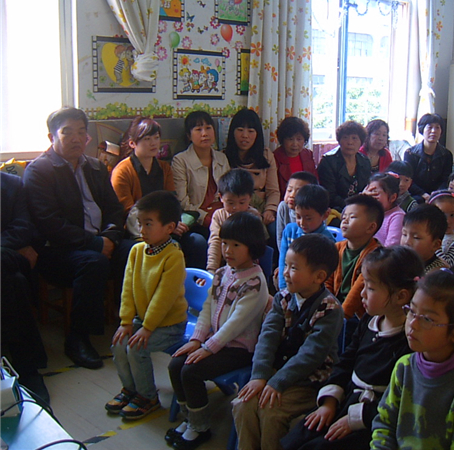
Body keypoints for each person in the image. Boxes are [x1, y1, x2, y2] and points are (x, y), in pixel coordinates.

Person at [282, 246, 424, 450]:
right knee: (297, 438)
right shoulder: (368, 320)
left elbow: (400, 402)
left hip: (372, 418)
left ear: (401, 296)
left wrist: (354, 420)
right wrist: (329, 402)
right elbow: (346, 362)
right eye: (363, 285)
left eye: (371, 288)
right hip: (346, 401)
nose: (362, 294)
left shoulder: (410, 342)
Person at [23, 107, 134, 369]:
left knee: (137, 250)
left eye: (81, 132)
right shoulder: (39, 171)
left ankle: (131, 322)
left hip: (100, 241)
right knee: (93, 263)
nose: (76, 139)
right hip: (57, 251)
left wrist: (110, 237)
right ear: (52, 137)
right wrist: (96, 244)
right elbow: (50, 224)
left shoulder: (95, 167)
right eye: (67, 132)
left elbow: (114, 209)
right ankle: (77, 339)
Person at [167, 212, 270, 449]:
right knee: (175, 365)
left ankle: (200, 428)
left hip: (239, 349)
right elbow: (207, 308)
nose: (228, 250)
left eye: (236, 245)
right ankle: (191, 418)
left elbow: (235, 325)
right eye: (224, 243)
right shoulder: (223, 273)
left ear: (253, 247)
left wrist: (207, 348)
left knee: (190, 371)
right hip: (215, 341)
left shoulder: (255, 282)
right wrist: (196, 340)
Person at [232, 234, 343, 450]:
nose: (285, 272)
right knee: (243, 404)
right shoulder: (283, 297)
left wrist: (277, 382)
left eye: (293, 268)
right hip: (279, 371)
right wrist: (260, 375)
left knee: (271, 412)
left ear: (319, 276)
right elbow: (267, 336)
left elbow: (311, 355)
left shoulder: (330, 309)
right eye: (285, 265)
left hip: (310, 380)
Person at [370, 268, 454, 449]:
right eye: (411, 311)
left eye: (427, 319)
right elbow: (384, 424)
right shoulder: (404, 367)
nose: (413, 324)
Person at [106, 191, 187, 419]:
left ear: (169, 228)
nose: (142, 229)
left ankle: (147, 397)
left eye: (148, 224)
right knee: (119, 343)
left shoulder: (173, 256)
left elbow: (164, 297)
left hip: (170, 325)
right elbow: (128, 288)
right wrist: (125, 322)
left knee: (136, 348)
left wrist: (147, 327)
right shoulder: (136, 250)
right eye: (140, 223)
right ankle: (130, 389)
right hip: (143, 321)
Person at [111, 117, 206, 269]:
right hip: (137, 231)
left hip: (166, 227)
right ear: (132, 143)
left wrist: (172, 224)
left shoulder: (164, 168)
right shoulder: (122, 171)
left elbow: (171, 201)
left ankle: (194, 283)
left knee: (197, 242)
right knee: (167, 247)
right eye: (147, 139)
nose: (153, 143)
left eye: (156, 138)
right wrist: (161, 228)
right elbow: (128, 212)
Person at [1, 172, 49, 402]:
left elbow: (22, 228)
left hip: (7, 257)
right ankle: (27, 367)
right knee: (16, 281)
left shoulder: (11, 184)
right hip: (9, 262)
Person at [171, 110, 231, 265]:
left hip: (222, 215)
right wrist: (205, 218)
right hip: (197, 218)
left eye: (208, 128)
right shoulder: (180, 161)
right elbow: (182, 202)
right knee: (198, 242)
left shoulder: (222, 158)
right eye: (198, 129)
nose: (205, 133)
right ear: (189, 136)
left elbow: (229, 192)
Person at [326, 194, 384, 321]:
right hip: (334, 307)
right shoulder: (337, 248)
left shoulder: (375, 256)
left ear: (371, 227)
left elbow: (356, 294)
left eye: (352, 217)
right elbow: (327, 282)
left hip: (357, 315)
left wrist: (340, 319)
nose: (345, 221)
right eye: (344, 217)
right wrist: (326, 307)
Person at [225, 108, 280, 238]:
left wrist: (270, 210)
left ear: (257, 134)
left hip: (262, 208)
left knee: (275, 230)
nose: (245, 135)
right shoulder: (223, 157)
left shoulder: (266, 155)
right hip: (236, 208)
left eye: (251, 131)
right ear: (232, 132)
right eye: (240, 130)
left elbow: (273, 190)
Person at [206, 169, 265, 274]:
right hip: (223, 265)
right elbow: (215, 242)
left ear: (250, 198)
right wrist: (212, 269)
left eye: (242, 202)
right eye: (230, 203)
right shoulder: (219, 216)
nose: (236, 208)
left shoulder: (253, 216)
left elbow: (257, 247)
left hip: (247, 267)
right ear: (221, 197)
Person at [278, 184, 335, 289]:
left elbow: (326, 276)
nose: (302, 223)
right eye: (298, 216)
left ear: (325, 215)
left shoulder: (327, 241)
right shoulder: (290, 231)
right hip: (289, 287)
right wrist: (283, 288)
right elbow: (283, 263)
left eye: (308, 218)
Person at [317, 120, 372, 212]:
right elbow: (329, 195)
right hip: (334, 209)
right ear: (339, 141)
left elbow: (367, 188)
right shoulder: (328, 161)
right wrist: (353, 206)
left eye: (354, 138)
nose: (350, 142)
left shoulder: (365, 161)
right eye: (345, 137)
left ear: (361, 142)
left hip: (360, 207)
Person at [403, 113, 453, 203]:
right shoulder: (410, 153)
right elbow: (408, 180)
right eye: (430, 127)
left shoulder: (446, 154)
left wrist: (436, 194)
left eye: (437, 128)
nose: (433, 131)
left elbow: (446, 179)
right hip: (416, 194)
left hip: (438, 195)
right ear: (422, 129)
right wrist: (423, 194)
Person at [273, 116, 318, 200]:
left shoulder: (308, 155)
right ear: (283, 140)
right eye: (290, 139)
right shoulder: (275, 157)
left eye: (299, 139)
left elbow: (315, 183)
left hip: (307, 201)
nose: (295, 144)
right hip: (285, 201)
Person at [276, 171, 318, 251]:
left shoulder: (315, 211)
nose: (292, 195)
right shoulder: (283, 207)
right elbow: (280, 238)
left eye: (299, 192)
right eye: (289, 190)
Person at [400, 204, 449, 273]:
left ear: (435, 245)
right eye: (404, 234)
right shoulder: (399, 263)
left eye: (416, 237)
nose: (407, 242)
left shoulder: (437, 273)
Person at [362, 172, 405, 247]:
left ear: (392, 197)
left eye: (375, 193)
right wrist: (361, 199)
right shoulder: (368, 211)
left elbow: (390, 249)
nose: (370, 196)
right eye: (369, 192)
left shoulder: (397, 216)